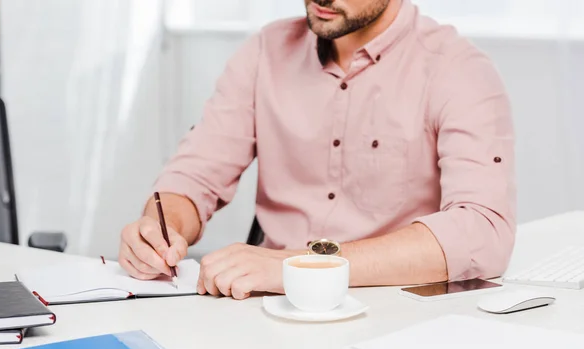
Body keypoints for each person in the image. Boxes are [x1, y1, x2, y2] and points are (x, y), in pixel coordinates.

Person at [119, 0, 516, 300]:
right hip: (263, 308)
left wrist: (307, 266)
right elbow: (196, 175)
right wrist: (161, 227)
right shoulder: (265, 52)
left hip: (388, 307)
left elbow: (483, 230)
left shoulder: (458, 70)